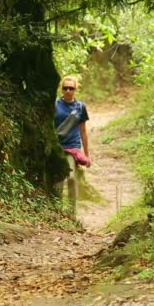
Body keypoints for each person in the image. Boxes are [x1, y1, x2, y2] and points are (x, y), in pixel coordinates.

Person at [54, 75, 90, 218]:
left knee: (71, 178)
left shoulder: (80, 107)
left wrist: (87, 154)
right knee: (57, 181)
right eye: (65, 88)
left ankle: (71, 214)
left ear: (76, 89)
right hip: (57, 145)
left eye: (71, 88)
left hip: (72, 147)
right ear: (61, 89)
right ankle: (57, 211)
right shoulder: (55, 104)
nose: (68, 91)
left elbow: (83, 131)